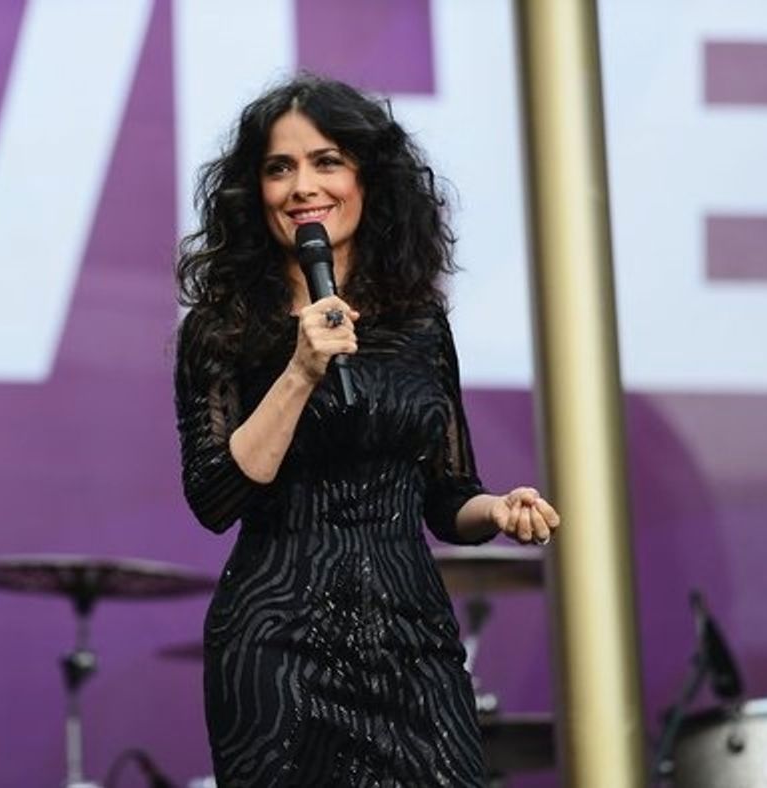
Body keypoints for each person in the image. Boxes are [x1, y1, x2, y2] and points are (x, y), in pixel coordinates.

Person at [172, 74, 561, 787]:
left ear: (366, 178)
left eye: (326, 161)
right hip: (278, 644)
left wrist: (497, 510)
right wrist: (299, 371)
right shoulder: (223, 329)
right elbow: (214, 497)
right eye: (278, 168)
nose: (302, 187)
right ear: (252, 193)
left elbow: (447, 496)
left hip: (411, 638)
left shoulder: (418, 323)